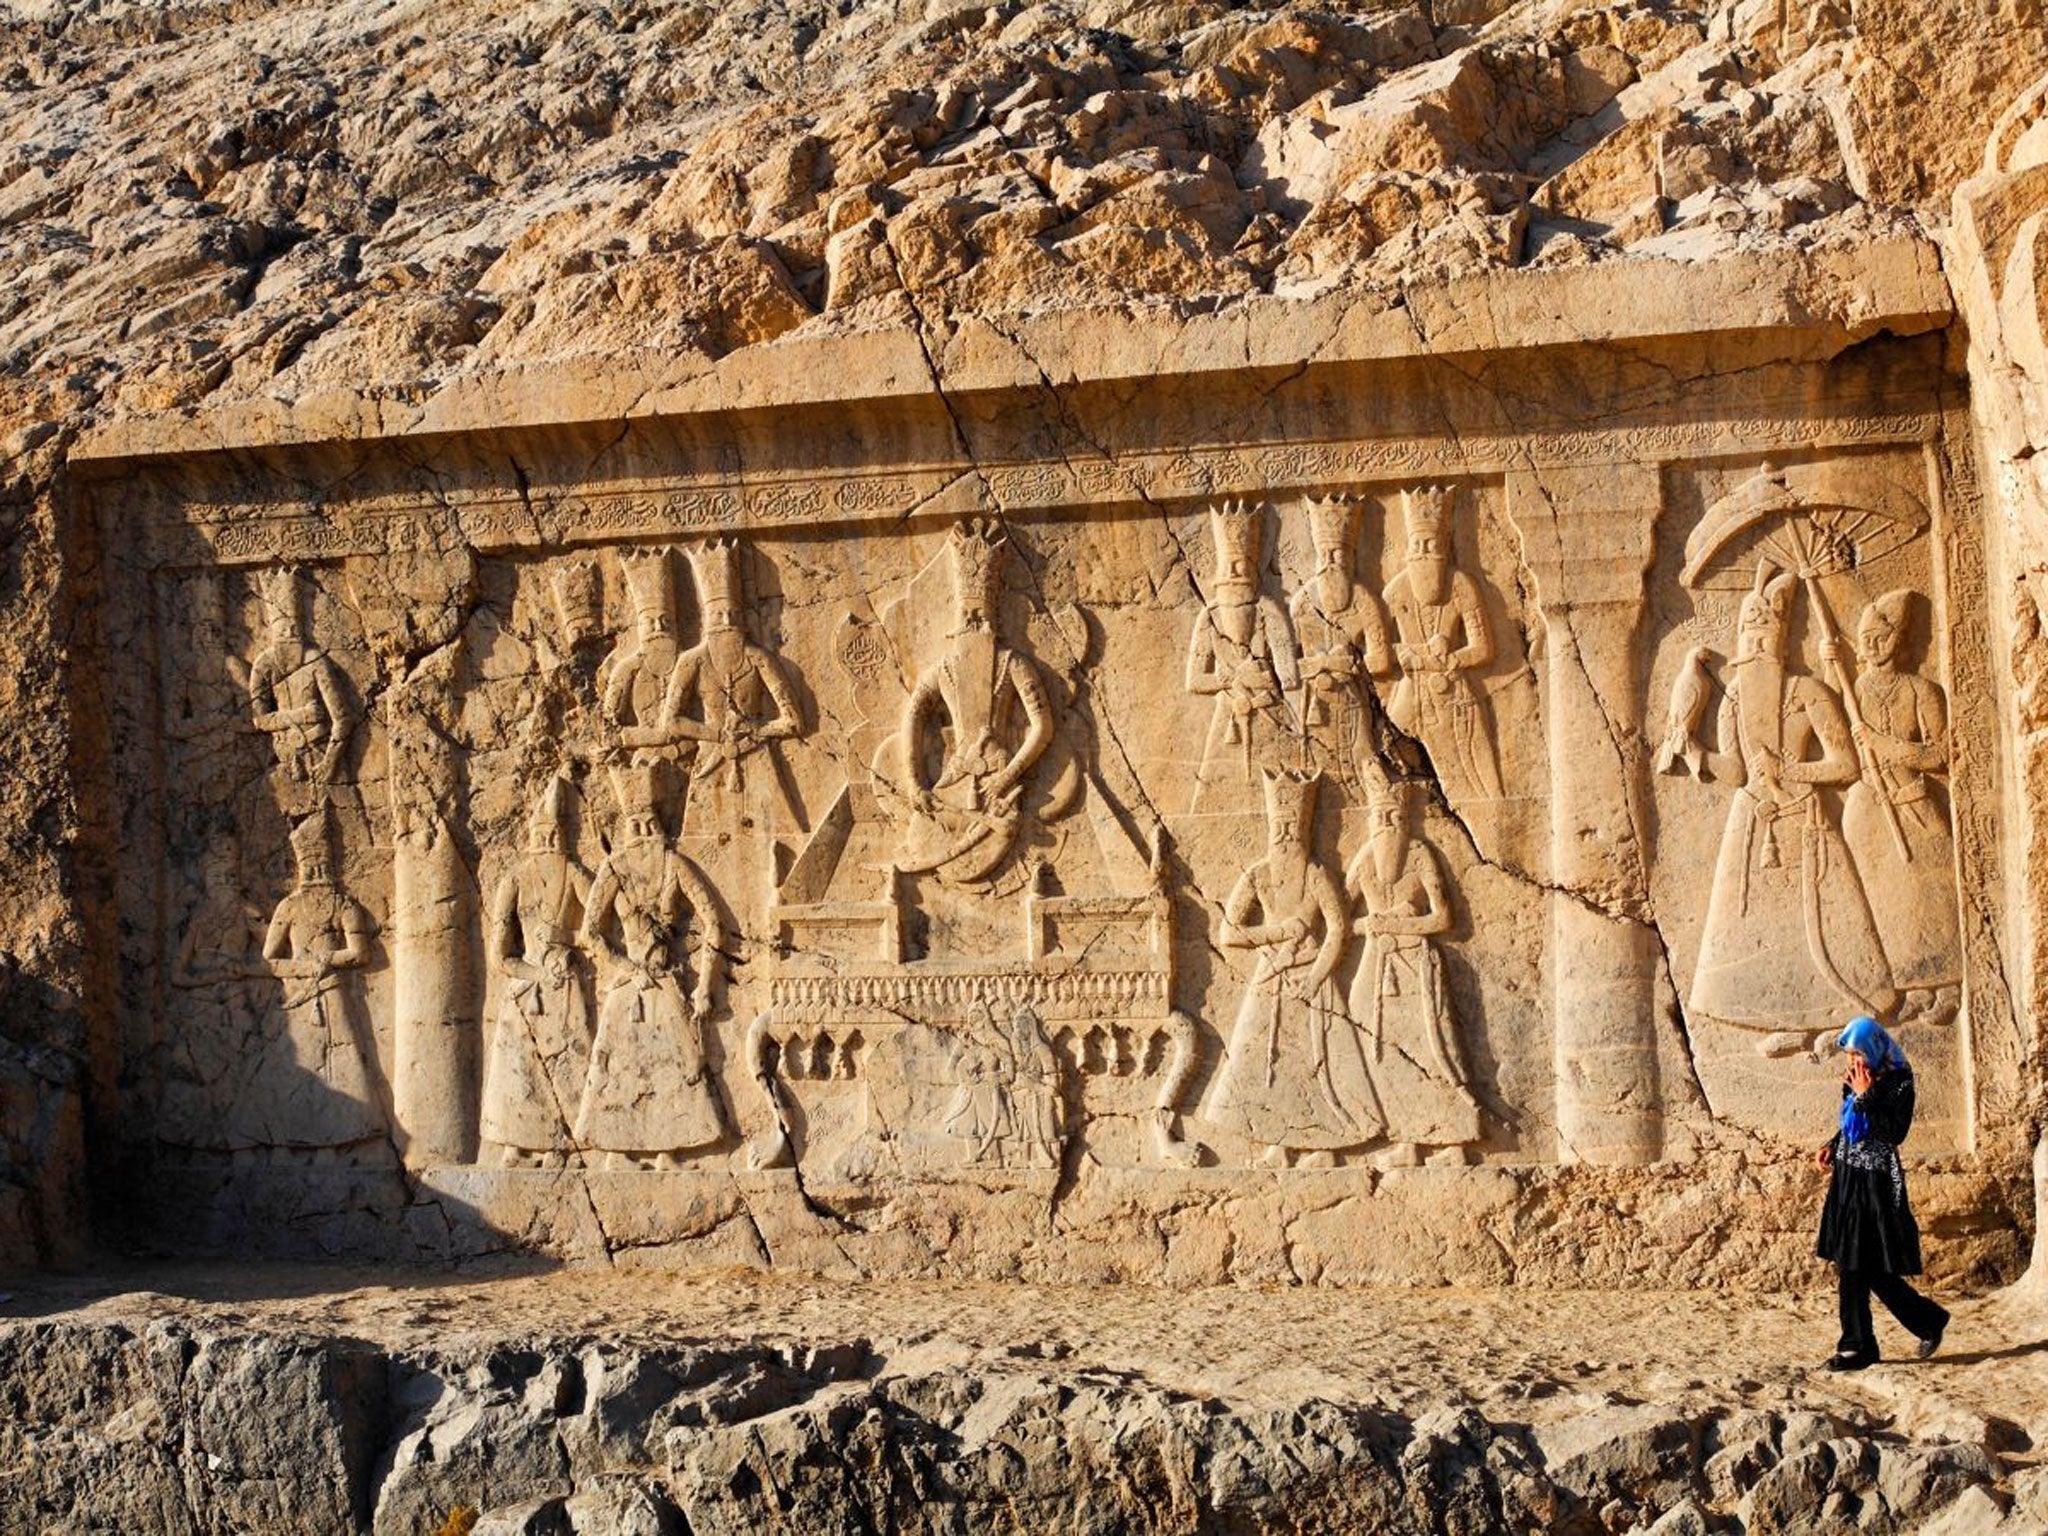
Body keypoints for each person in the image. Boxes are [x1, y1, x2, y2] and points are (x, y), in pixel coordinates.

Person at [1815, 1014, 1949, 1370]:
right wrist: (1832, 1144)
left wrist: (1866, 1095)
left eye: (1859, 1054)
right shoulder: (1856, 1079)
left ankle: (1859, 1347)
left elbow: (1893, 1133)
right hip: (1847, 1178)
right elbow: (1850, 1124)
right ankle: (1926, 1321)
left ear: (1874, 1049)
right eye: (1849, 1056)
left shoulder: (1899, 1083)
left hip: (1875, 1182)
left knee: (1858, 1264)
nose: (1854, 1062)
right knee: (1861, 1265)